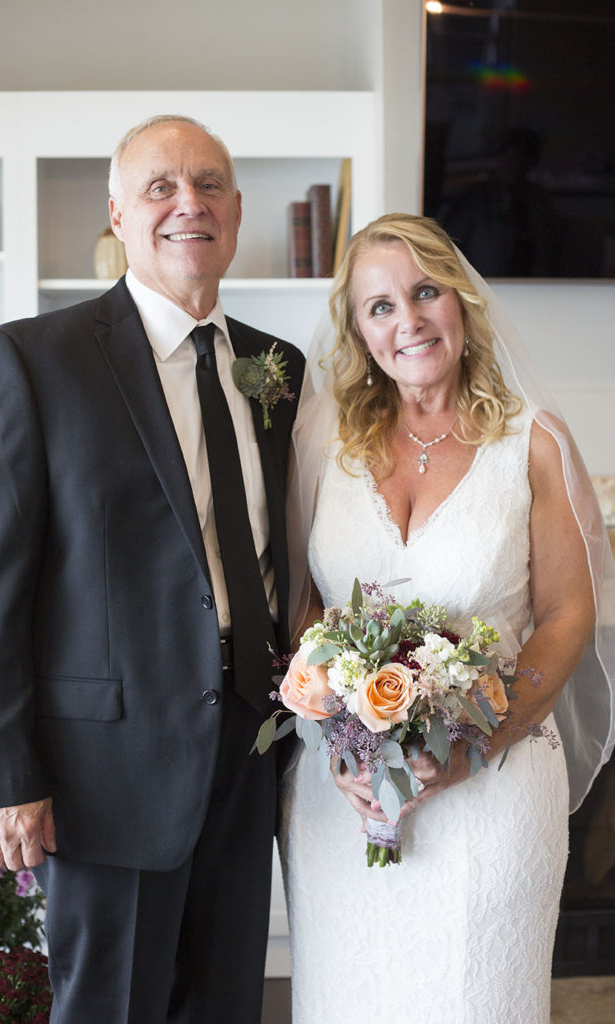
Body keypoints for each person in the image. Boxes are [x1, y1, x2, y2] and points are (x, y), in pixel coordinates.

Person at [0, 114, 304, 1023]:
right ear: (117, 212)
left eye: (210, 184)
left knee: (224, 1006)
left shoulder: (276, 367)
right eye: (161, 187)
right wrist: (1, 779)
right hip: (105, 771)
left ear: (234, 207)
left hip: (249, 755)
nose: (190, 204)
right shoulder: (34, 359)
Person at [278, 213, 615, 1023]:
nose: (409, 320)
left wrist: (476, 741)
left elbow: (569, 613)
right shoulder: (325, 441)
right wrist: (341, 738)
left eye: (425, 292)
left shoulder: (530, 442)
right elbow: (307, 604)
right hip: (345, 799)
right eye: (380, 306)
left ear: (460, 300)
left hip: (490, 795)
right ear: (358, 331)